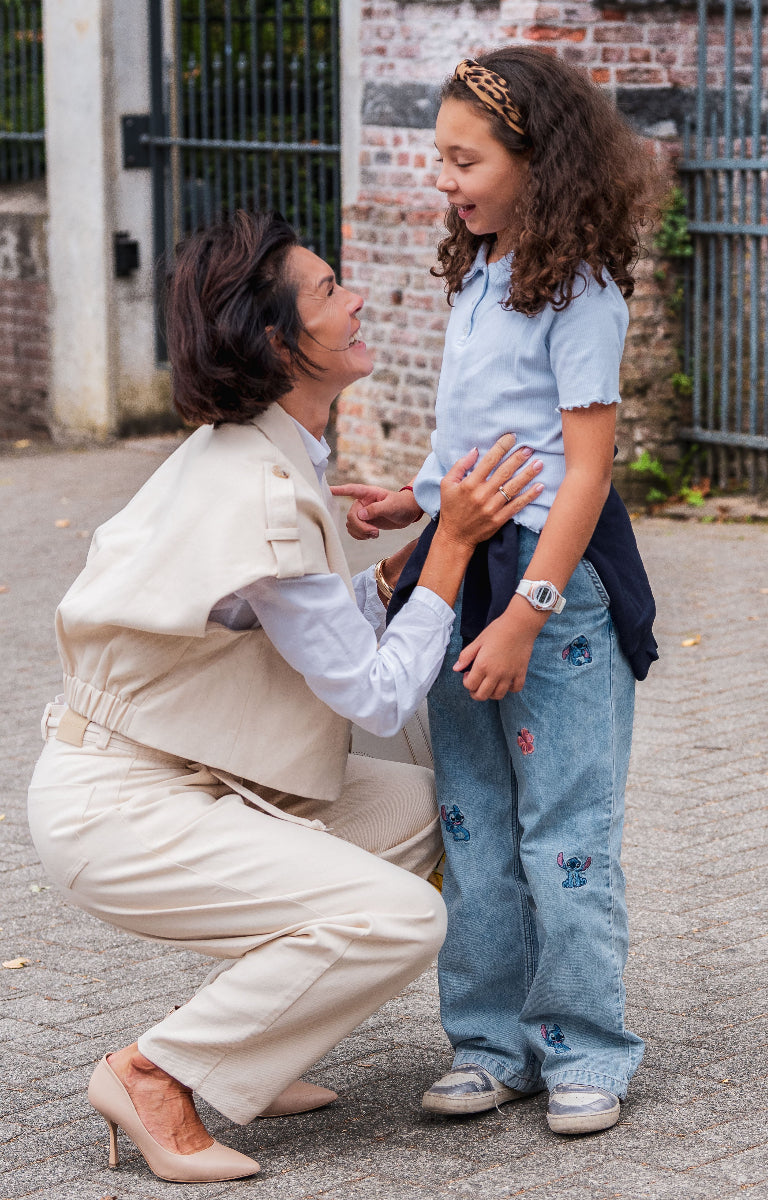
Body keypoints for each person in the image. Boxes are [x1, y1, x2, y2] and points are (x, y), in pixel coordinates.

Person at [26, 210, 544, 1183]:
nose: (356, 301)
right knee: (398, 918)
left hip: (199, 775)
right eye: (329, 290)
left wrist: (406, 561)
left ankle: (249, 1050)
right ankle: (154, 1074)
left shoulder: (279, 450)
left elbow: (312, 630)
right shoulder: (259, 485)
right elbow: (379, 697)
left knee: (438, 813)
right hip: (123, 809)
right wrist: (457, 547)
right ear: (278, 341)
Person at [333, 48, 659, 1136]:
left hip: (548, 592)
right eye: (438, 158)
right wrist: (413, 509)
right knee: (471, 822)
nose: (445, 178)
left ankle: (587, 1049)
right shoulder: (479, 270)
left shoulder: (583, 291)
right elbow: (479, 445)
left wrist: (530, 613)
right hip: (460, 566)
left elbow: (584, 469)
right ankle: (489, 1043)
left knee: (562, 829)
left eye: (464, 159)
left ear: (537, 161)